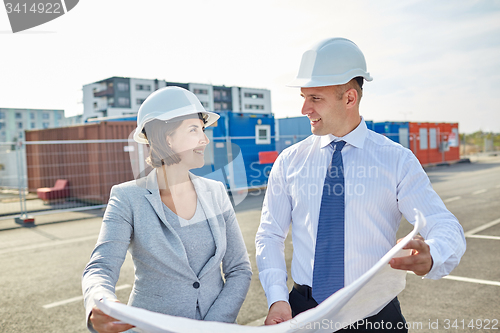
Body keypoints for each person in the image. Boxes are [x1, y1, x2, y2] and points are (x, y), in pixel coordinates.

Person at [255, 38, 466, 331]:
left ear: (350, 98)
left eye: (315, 98)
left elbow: (444, 224)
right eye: (303, 96)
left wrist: (434, 252)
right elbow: (270, 235)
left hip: (375, 313)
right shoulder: (289, 161)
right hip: (302, 312)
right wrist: (277, 297)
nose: (305, 108)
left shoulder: (396, 161)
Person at [82, 86, 252, 333]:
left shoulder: (215, 192)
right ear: (166, 137)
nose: (204, 139)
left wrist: (212, 326)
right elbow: (101, 267)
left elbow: (239, 269)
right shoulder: (127, 197)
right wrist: (100, 302)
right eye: (194, 129)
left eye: (203, 130)